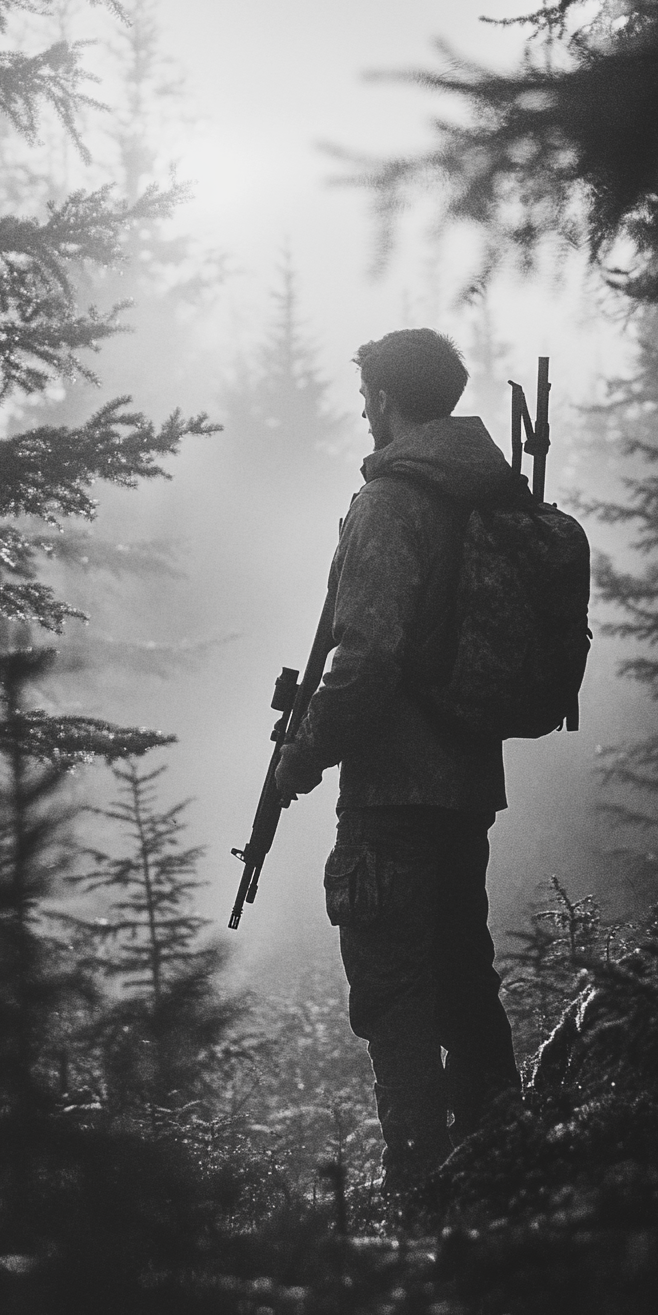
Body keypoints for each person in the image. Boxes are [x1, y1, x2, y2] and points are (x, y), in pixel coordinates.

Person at [274, 327, 521, 1190]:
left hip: (390, 799)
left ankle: (421, 1201)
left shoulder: (391, 502)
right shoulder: (483, 491)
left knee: (399, 1000)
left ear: (388, 399)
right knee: (465, 980)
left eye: (368, 395)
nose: (363, 412)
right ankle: (508, 1172)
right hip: (466, 788)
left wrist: (302, 756)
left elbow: (368, 658)